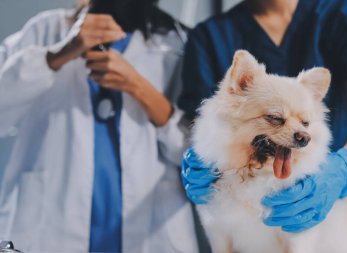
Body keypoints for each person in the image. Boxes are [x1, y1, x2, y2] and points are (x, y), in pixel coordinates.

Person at [0, 0, 198, 252]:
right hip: (49, 225)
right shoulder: (46, 30)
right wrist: (57, 54)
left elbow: (202, 156)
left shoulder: (180, 44)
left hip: (148, 227)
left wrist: (139, 86)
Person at [180, 0, 347, 240]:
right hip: (242, 215)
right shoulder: (210, 36)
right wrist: (202, 159)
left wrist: (342, 171)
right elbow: (202, 123)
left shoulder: (342, 14)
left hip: (337, 210)